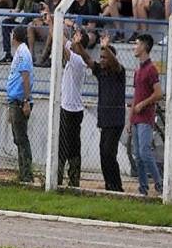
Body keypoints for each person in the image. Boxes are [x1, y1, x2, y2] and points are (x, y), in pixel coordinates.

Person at [70, 32, 125, 191]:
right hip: (104, 120)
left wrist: (105, 46)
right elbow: (87, 58)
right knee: (103, 154)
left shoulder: (119, 72)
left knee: (109, 153)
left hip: (115, 120)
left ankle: (116, 186)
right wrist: (78, 44)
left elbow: (115, 62)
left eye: (104, 56)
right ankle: (110, 185)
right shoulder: (101, 72)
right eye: (101, 56)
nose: (102, 59)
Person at [129, 33, 163, 196]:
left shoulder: (151, 69)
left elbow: (158, 94)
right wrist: (130, 120)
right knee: (138, 156)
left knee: (144, 152)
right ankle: (143, 188)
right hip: (136, 118)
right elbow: (135, 96)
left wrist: (143, 104)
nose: (134, 47)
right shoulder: (137, 70)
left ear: (144, 46)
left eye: (136, 44)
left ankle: (159, 184)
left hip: (145, 117)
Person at [57, 28, 87, 187]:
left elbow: (62, 45)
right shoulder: (76, 57)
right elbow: (60, 38)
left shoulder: (78, 59)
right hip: (67, 107)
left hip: (72, 110)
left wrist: (55, 25)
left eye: (76, 35)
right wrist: (52, 23)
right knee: (64, 143)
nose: (73, 37)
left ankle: (72, 178)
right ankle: (62, 177)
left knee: (69, 145)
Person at [6, 25, 34, 183]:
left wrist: (26, 101)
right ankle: (23, 173)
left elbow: (25, 77)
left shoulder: (23, 52)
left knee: (22, 139)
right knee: (18, 139)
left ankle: (27, 175)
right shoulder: (20, 51)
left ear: (15, 36)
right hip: (15, 100)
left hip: (19, 101)